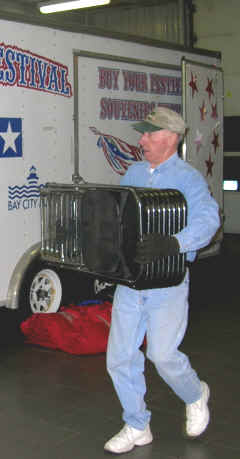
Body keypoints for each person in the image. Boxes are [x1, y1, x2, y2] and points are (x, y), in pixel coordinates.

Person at [104, 107, 220, 454]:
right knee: (120, 357)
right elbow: (119, 215)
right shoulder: (134, 172)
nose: (141, 140)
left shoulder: (188, 179)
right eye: (143, 134)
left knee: (162, 354)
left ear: (169, 139)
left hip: (167, 282)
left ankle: (195, 393)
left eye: (149, 135)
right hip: (131, 281)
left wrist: (175, 243)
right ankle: (137, 424)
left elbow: (209, 219)